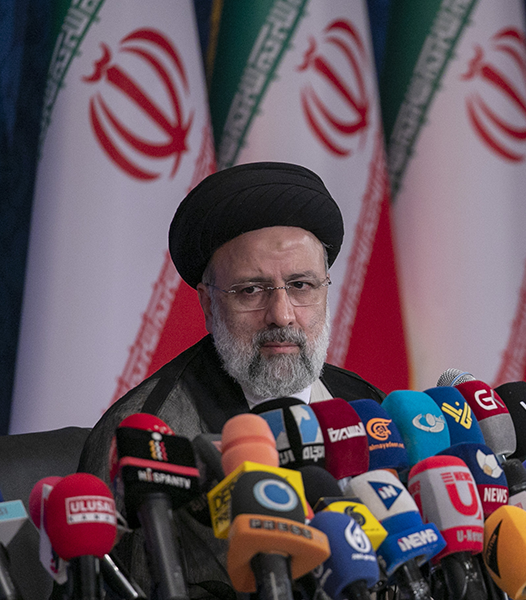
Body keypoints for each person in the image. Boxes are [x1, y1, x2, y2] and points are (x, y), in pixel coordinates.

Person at [76, 162, 385, 599]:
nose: (282, 315)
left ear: (326, 289)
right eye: (250, 291)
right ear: (207, 301)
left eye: (301, 285)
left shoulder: (364, 403)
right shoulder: (145, 434)